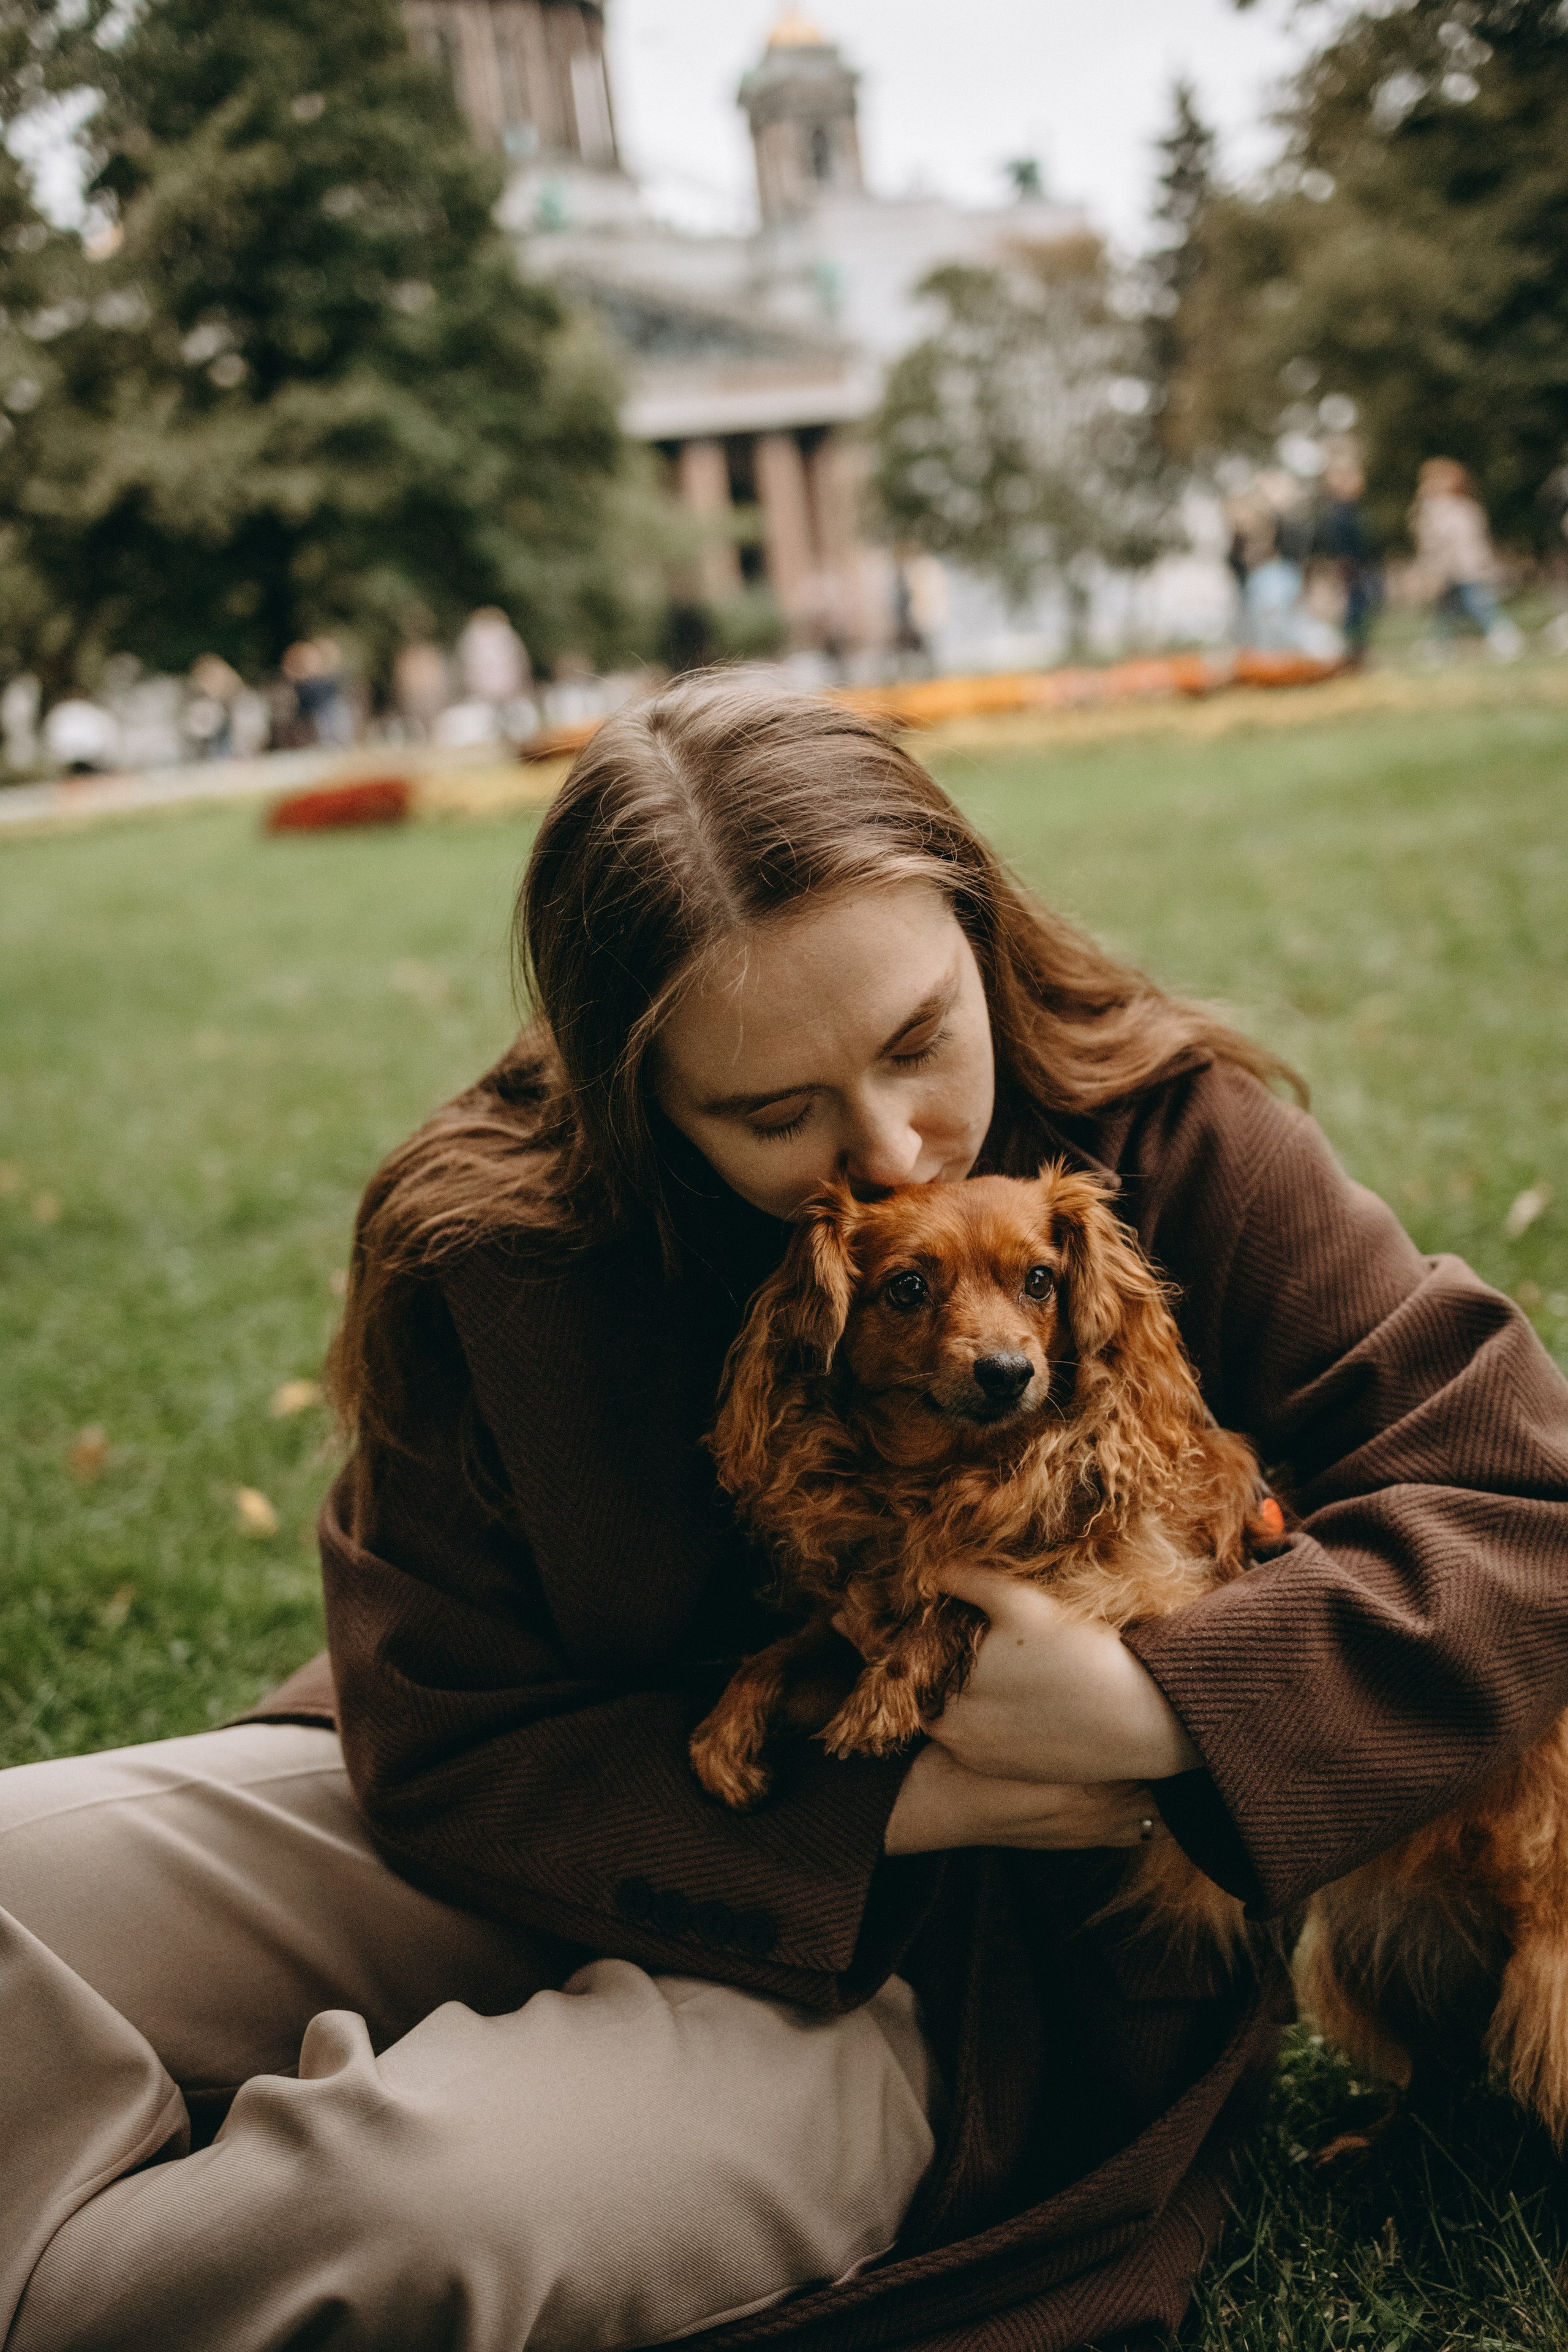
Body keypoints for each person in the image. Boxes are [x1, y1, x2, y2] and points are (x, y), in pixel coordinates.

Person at [4, 676, 1567, 2351]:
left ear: (977, 933)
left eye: (921, 1040)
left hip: (954, 1996)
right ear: (634, 1097)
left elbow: (1520, 1505)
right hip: (540, 1833)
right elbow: (440, 1735)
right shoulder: (492, 1247)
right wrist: (906, 1799)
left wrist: (1161, 1714)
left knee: (365, 2217)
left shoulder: (1156, 1137)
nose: (892, 1149)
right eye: (773, 1112)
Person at [1410, 458, 1523, 660]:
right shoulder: (1438, 507)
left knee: (1476, 603)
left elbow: (1456, 541)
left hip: (1463, 567)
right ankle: (1440, 644)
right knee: (1445, 608)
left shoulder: (1454, 507)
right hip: (1450, 568)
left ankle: (1503, 634)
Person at [1313, 456, 1382, 663]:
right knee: (1356, 611)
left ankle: (1356, 652)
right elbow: (1343, 545)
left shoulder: (1351, 510)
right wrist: (1348, 566)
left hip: (1360, 566)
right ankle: (1352, 654)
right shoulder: (1340, 513)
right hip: (1354, 568)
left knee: (1361, 610)